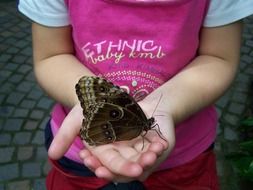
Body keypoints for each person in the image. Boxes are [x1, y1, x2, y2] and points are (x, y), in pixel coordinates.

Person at [18, 0, 253, 189]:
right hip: (79, 155)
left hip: (185, 158)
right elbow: (51, 55)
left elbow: (219, 57)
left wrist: (168, 105)